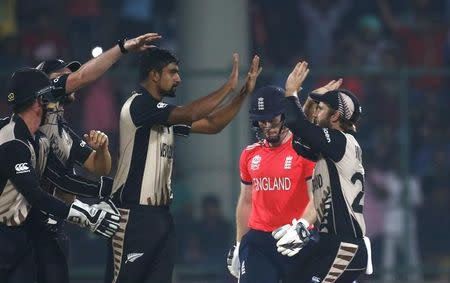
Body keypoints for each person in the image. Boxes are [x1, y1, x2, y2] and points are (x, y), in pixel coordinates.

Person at [105, 47, 261, 283]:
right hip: (133, 216)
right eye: (172, 72)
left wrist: (241, 94)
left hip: (161, 217)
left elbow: (211, 124)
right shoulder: (138, 106)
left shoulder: (163, 117)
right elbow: (190, 113)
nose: (178, 79)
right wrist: (228, 86)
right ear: (154, 75)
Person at [28, 32, 161, 283]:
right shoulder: (39, 114)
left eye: (69, 74)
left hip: (53, 228)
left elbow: (99, 167)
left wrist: (101, 150)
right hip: (27, 228)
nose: (69, 80)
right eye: (61, 76)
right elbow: (83, 77)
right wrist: (122, 48)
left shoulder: (63, 130)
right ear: (44, 85)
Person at [0, 68, 120, 282]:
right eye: (51, 98)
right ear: (40, 101)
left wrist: (107, 190)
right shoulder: (13, 141)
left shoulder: (40, 140)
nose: (57, 104)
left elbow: (61, 179)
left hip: (21, 237)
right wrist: (84, 216)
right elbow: (36, 195)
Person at [272, 62, 372, 282]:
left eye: (321, 109)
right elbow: (299, 141)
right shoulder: (332, 147)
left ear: (335, 117)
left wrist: (291, 92)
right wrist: (309, 103)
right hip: (330, 243)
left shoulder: (339, 141)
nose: (316, 113)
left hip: (345, 246)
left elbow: (298, 124)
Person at [226, 85, 316, 283]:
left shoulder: (304, 151)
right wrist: (240, 243)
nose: (267, 125)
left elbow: (316, 198)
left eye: (272, 119)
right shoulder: (249, 154)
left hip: (297, 240)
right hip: (259, 244)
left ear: (284, 116)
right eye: (262, 121)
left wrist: (301, 227)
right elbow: (246, 202)